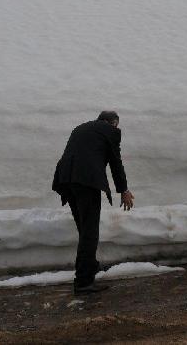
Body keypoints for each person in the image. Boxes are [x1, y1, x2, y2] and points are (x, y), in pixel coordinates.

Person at [52, 111, 135, 294]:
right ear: (113, 123)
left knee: (84, 228)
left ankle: (90, 267)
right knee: (90, 232)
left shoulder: (81, 128)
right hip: (86, 180)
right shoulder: (111, 131)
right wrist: (123, 190)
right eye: (116, 125)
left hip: (66, 179)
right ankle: (83, 282)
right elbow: (115, 162)